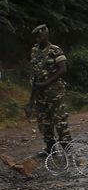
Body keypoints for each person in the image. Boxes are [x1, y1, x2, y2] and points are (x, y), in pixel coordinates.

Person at [27, 24, 71, 156]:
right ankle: (50, 148)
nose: (37, 39)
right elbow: (35, 74)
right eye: (36, 37)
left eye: (40, 36)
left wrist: (46, 82)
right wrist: (31, 100)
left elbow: (63, 69)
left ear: (46, 35)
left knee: (59, 120)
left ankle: (67, 148)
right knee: (44, 121)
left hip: (54, 92)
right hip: (40, 93)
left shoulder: (55, 50)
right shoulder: (34, 51)